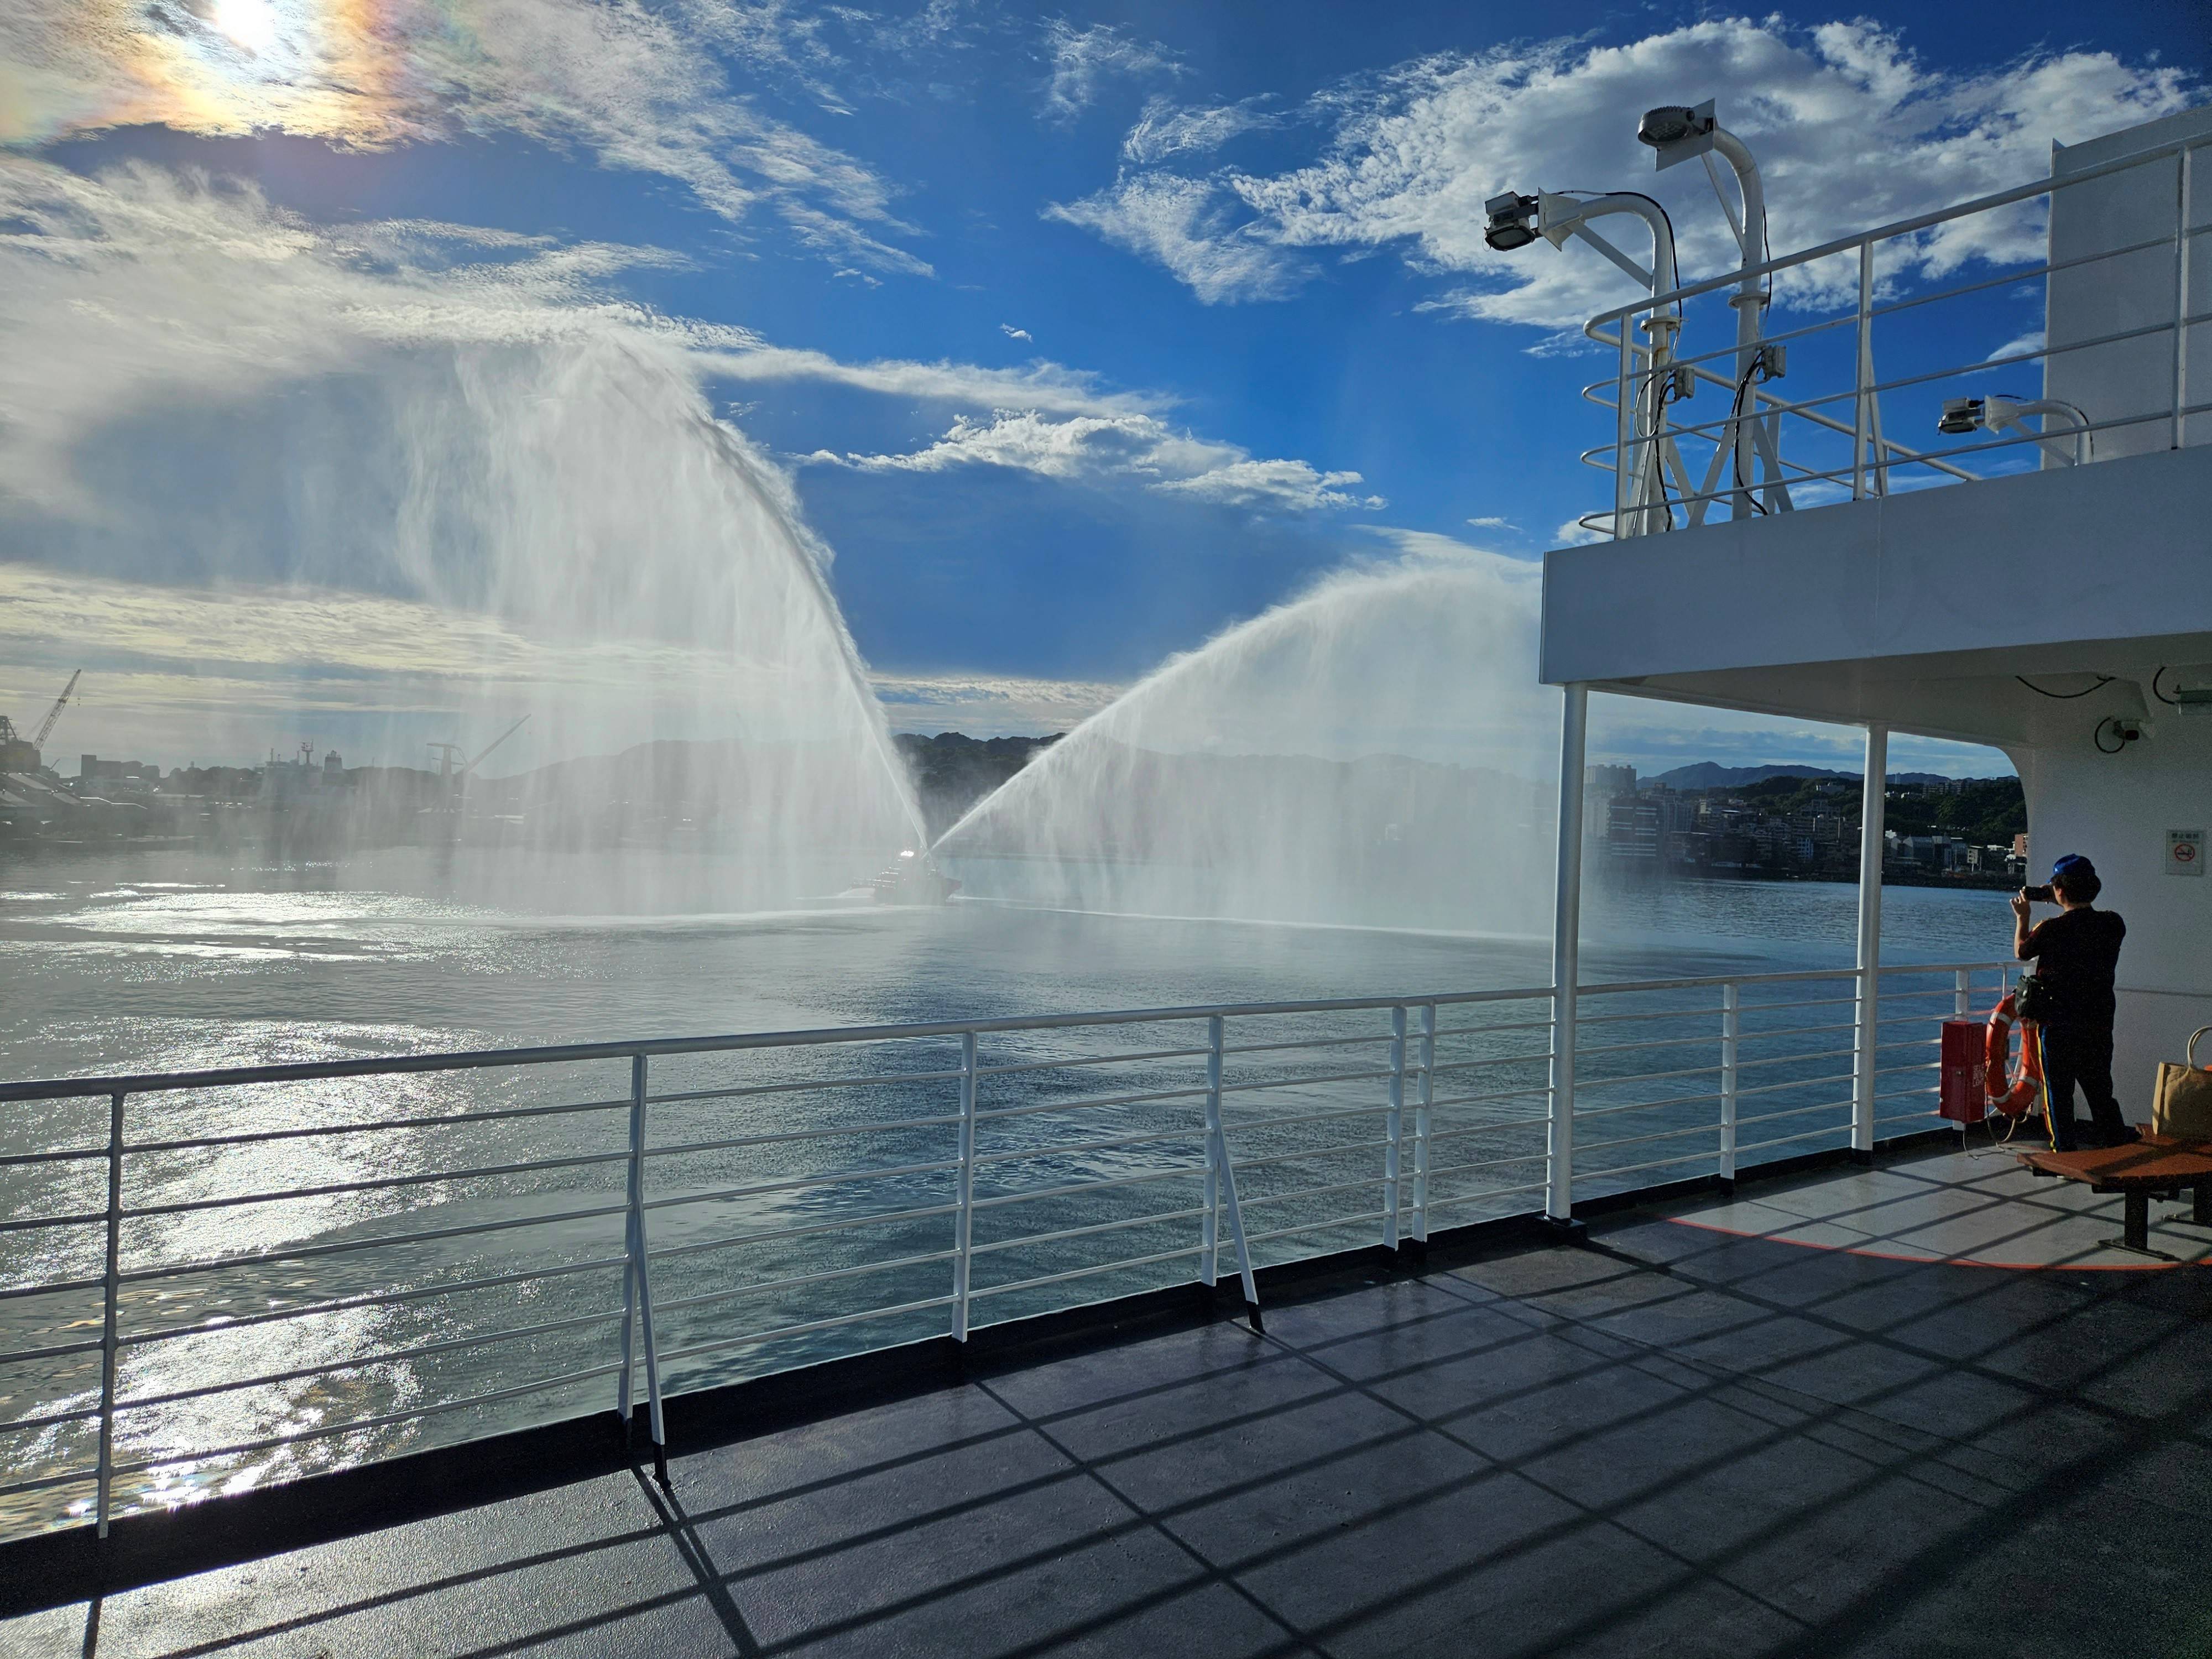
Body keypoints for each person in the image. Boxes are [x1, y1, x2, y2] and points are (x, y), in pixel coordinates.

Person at [2012, 853, 2133, 1150]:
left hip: (2058, 1024)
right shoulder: (2113, 923)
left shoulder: (2050, 929)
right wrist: (2062, 895)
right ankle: (2115, 1143)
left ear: (2060, 890)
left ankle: (2064, 1151)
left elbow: (2022, 951)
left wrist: (2023, 917)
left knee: (2059, 1092)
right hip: (2098, 1021)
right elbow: (2081, 918)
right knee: (2100, 1089)